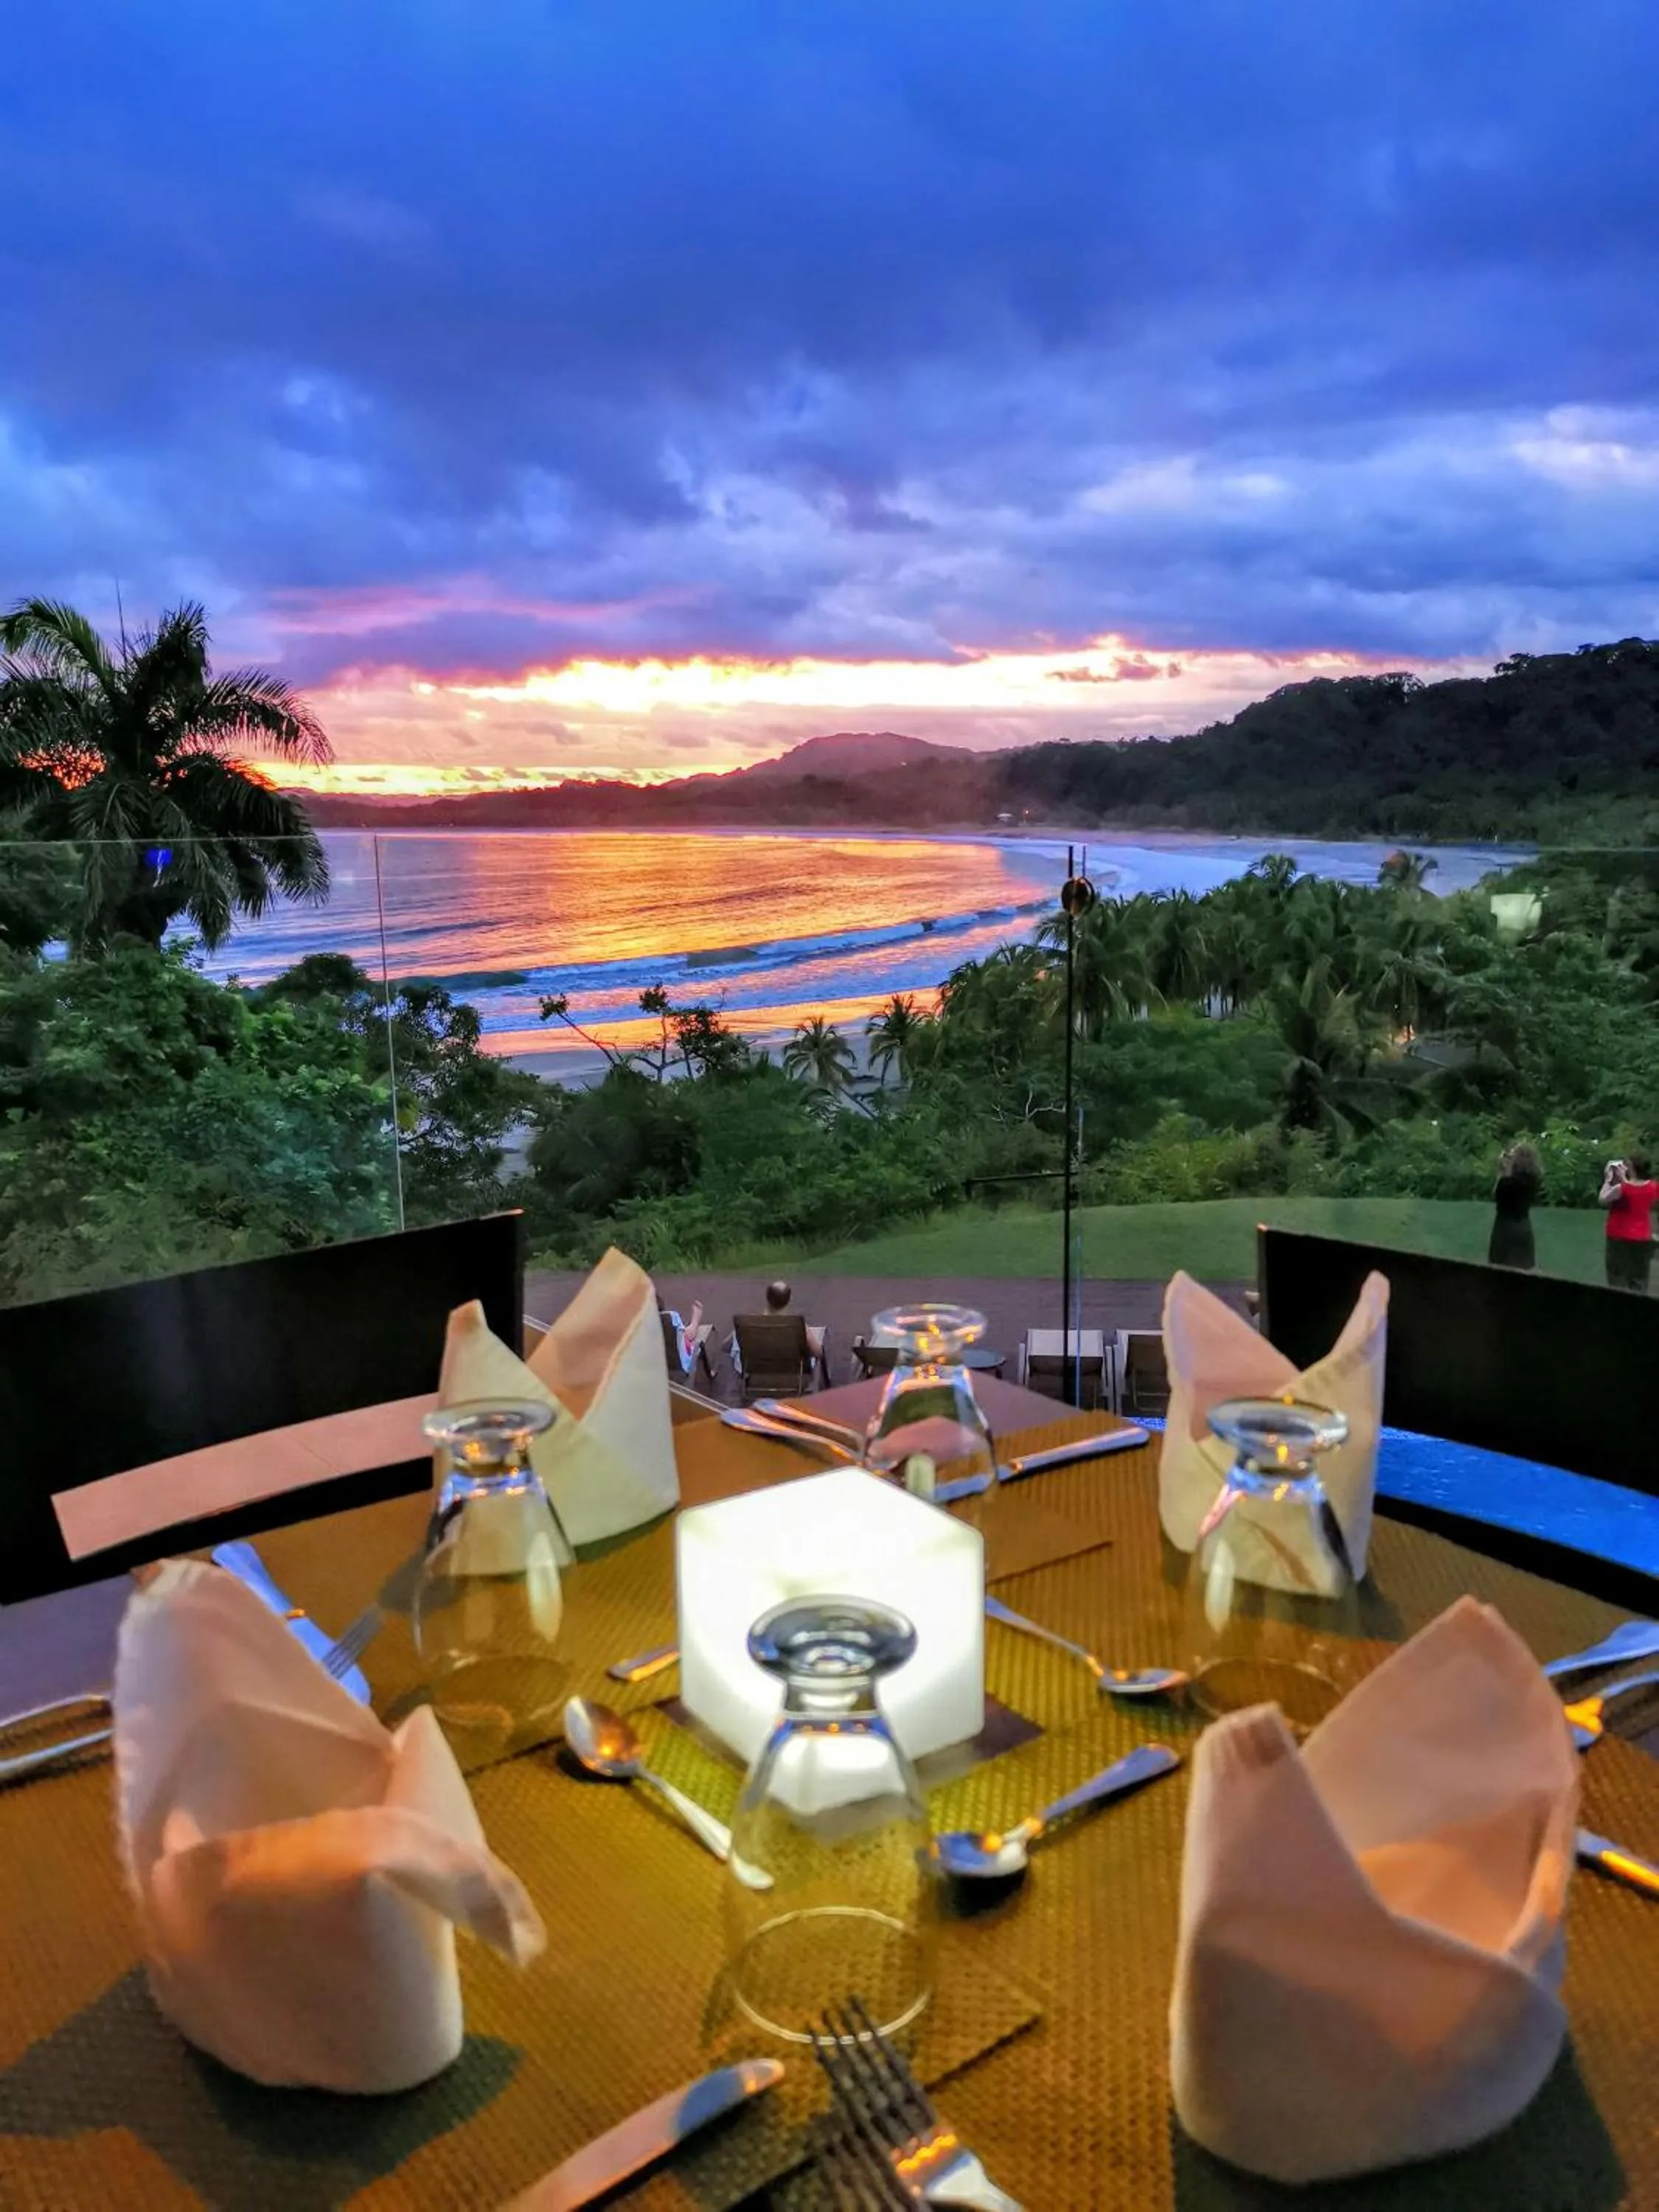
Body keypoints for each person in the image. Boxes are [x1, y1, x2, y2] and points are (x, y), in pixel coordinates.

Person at [1599, 1152, 1657, 1293]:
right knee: (1639, 1280)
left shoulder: (1622, 1189)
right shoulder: (1654, 1187)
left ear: (1631, 1168)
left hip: (1618, 1238)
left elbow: (1602, 1199)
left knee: (1617, 1278)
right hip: (1642, 1238)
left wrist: (1608, 1179)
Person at [1487, 1142, 1543, 1270]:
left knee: (1501, 1267)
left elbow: (1497, 1195)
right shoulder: (1533, 1179)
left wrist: (1503, 1172)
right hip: (1524, 1228)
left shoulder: (1508, 1182)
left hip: (1505, 1228)